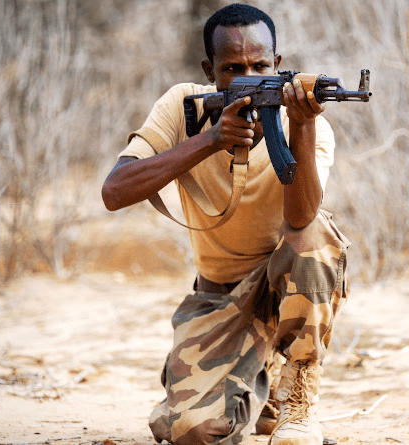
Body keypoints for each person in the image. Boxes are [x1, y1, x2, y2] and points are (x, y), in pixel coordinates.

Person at [101, 4, 350, 445]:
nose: (249, 76)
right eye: (233, 69)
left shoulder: (310, 125)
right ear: (209, 70)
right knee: (193, 432)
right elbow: (115, 191)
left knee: (316, 235)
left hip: (285, 286)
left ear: (277, 64)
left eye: (259, 65)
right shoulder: (183, 106)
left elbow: (300, 217)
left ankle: (298, 399)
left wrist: (303, 127)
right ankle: (255, 383)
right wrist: (210, 140)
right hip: (220, 298)